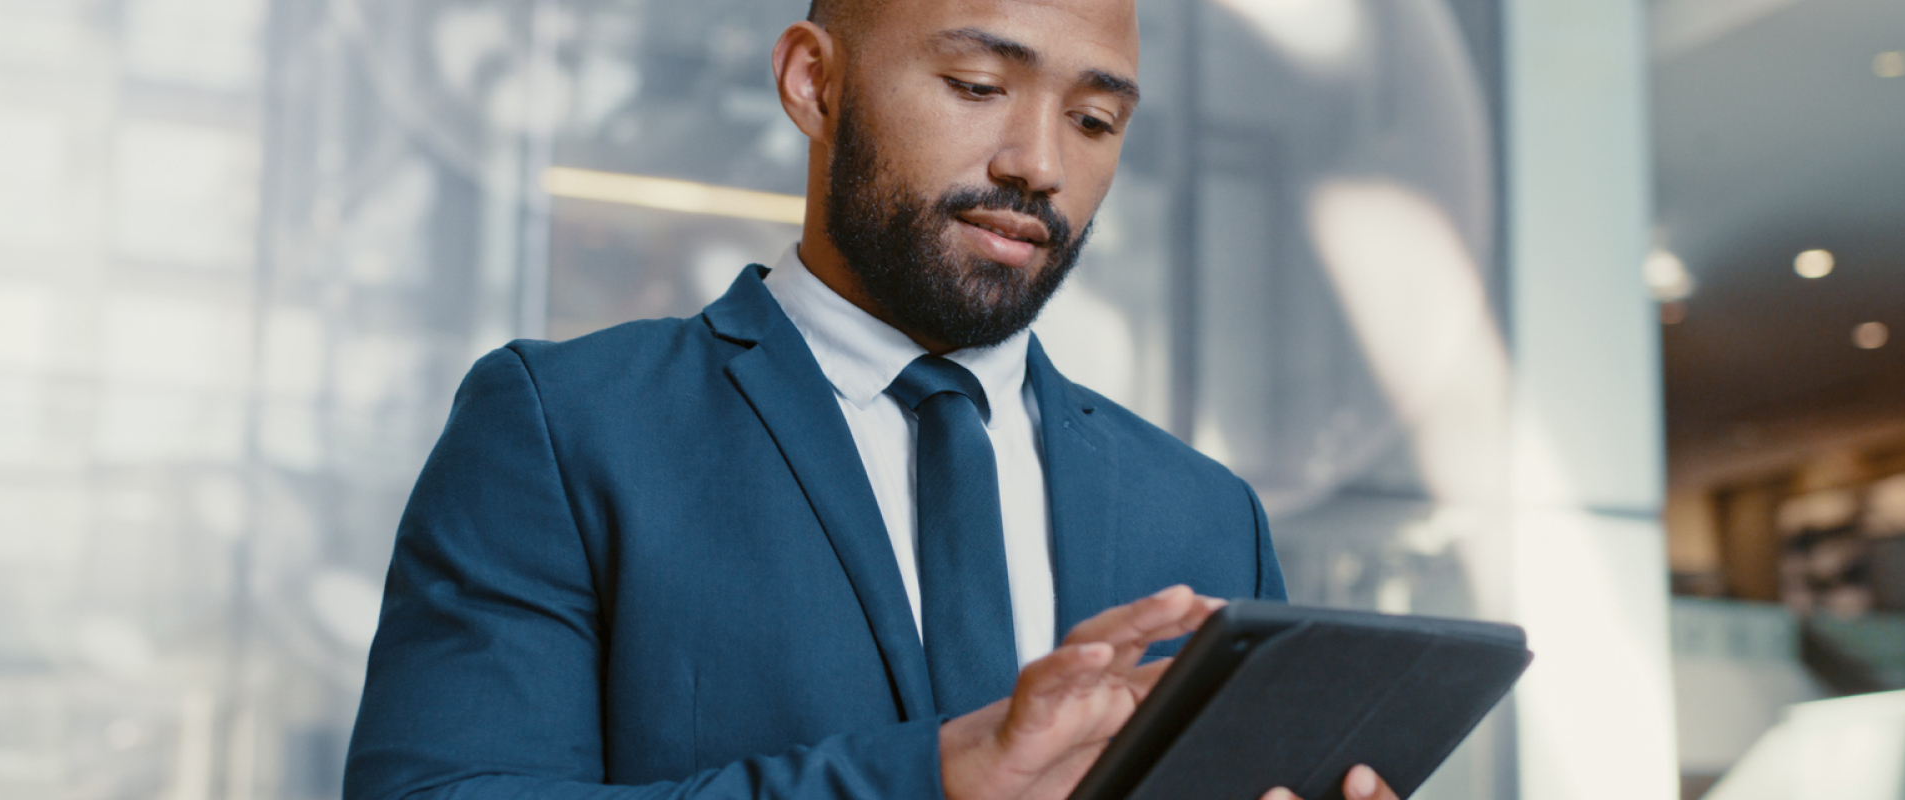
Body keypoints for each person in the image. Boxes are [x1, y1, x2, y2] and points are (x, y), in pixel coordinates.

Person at [344, 1, 1405, 799]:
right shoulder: (566, 427)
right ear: (814, 83)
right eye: (979, 86)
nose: (1037, 163)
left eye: (1091, 118)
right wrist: (931, 777)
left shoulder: (1207, 516)